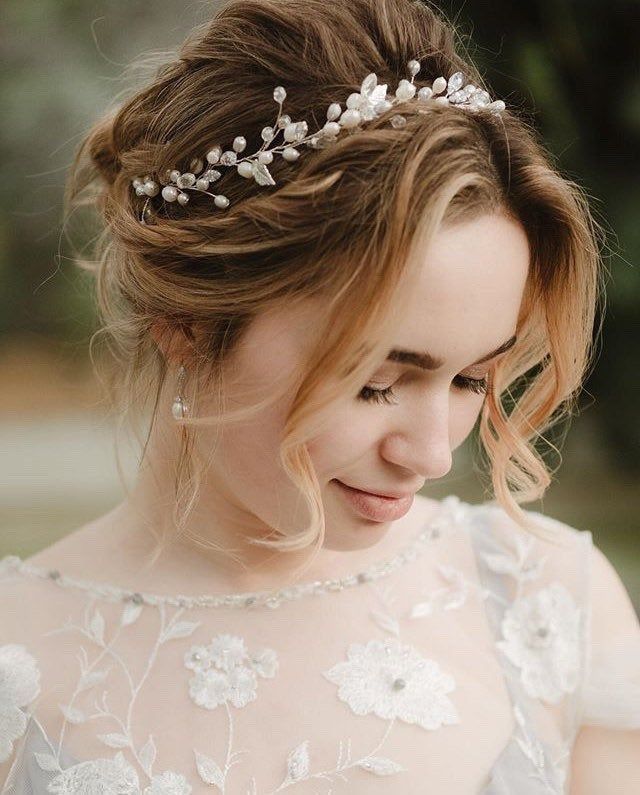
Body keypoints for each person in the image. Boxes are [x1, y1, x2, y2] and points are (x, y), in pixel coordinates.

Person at [1, 0, 639, 792]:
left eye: (472, 378)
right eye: (376, 383)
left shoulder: (548, 608)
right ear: (188, 325)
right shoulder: (16, 675)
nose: (434, 452)